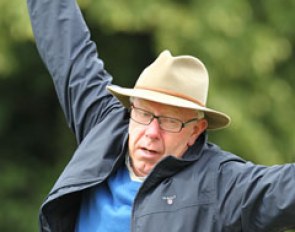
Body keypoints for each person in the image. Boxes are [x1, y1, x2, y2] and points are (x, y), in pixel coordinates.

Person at [27, 0, 295, 231]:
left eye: (170, 121)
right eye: (144, 113)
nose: (151, 133)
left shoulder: (220, 184)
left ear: (196, 130)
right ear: (131, 109)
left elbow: (284, 189)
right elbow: (67, 47)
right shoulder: (104, 127)